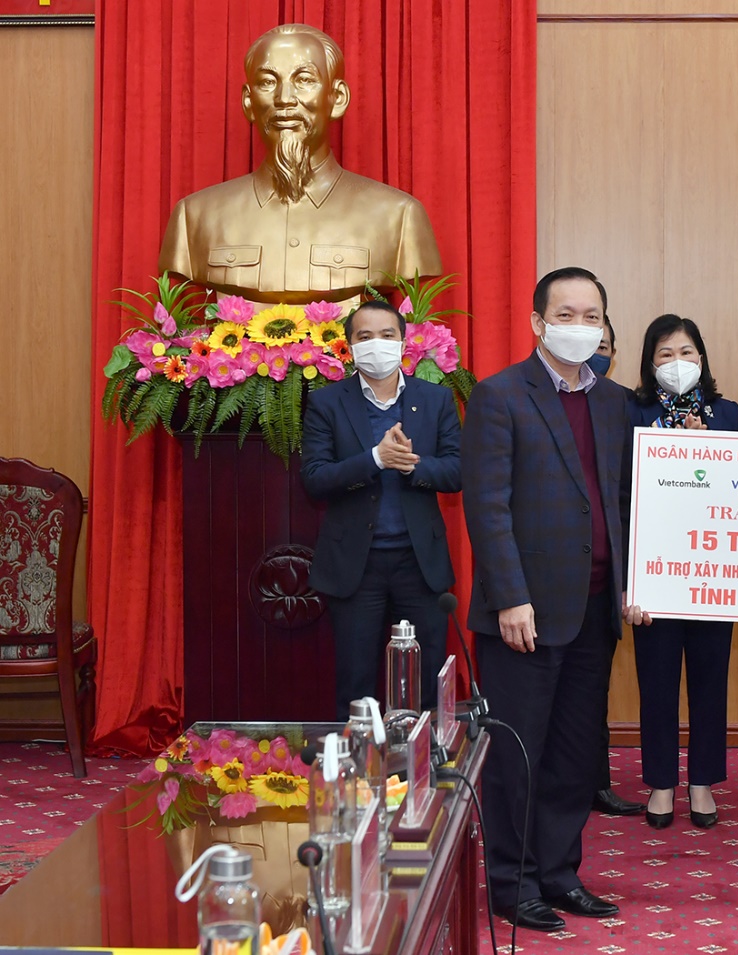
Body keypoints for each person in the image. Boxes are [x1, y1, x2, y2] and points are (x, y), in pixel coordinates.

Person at [462, 267, 632, 933]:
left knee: (573, 754)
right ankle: (513, 882)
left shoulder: (614, 401)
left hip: (594, 608)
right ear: (537, 322)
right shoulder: (500, 395)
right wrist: (510, 596)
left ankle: (560, 873)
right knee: (518, 755)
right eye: (566, 314)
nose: (579, 326)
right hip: (524, 613)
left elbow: (622, 498)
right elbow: (487, 505)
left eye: (592, 315)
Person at [158, 24, 441, 303]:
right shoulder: (195, 216)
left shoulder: (398, 216)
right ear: (248, 101)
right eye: (267, 82)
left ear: (337, 98)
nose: (284, 99)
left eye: (304, 80)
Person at [299, 299, 460, 717]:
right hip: (356, 565)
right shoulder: (327, 403)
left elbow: (457, 470)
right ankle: (359, 758)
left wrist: (412, 465)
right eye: (365, 336)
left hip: (419, 563)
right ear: (350, 346)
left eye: (387, 335)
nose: (377, 344)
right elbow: (314, 478)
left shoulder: (436, 399)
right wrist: (375, 459)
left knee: (425, 686)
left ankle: (424, 756)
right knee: (356, 688)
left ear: (403, 343)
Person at [627, 314, 738, 829]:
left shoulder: (727, 414)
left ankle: (702, 781)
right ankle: (661, 782)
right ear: (649, 363)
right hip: (654, 572)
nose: (677, 363)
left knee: (709, 679)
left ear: (702, 358)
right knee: (656, 682)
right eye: (665, 354)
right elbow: (620, 487)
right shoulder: (632, 413)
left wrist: (708, 448)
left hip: (713, 572)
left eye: (686, 353)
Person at [586, 313, 645, 819]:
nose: (594, 350)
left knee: (594, 688)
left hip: (608, 570)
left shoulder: (623, 404)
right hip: (553, 573)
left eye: (604, 344)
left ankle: (597, 783)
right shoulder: (527, 398)